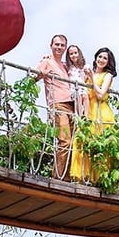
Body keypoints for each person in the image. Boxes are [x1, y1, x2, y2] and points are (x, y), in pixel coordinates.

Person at [70, 46, 117, 182]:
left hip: (101, 113)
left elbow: (101, 94)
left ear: (108, 62)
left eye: (105, 58)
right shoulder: (88, 73)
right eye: (100, 57)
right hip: (88, 112)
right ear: (96, 58)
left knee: (100, 146)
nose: (101, 60)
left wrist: (91, 77)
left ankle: (100, 179)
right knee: (83, 142)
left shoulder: (107, 76)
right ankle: (85, 177)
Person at [33, 33, 74, 178]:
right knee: (65, 141)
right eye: (57, 44)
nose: (59, 47)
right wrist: (41, 74)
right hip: (58, 104)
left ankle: (68, 176)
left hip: (72, 105)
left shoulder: (64, 66)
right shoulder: (47, 62)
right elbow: (32, 78)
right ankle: (58, 177)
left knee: (74, 143)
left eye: (62, 45)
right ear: (51, 46)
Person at [65, 43, 91, 119]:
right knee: (78, 96)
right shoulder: (68, 67)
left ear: (79, 53)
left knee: (85, 96)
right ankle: (79, 114)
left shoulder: (83, 66)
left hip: (82, 86)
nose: (74, 55)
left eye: (75, 53)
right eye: (71, 54)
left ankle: (86, 116)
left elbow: (87, 76)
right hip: (74, 88)